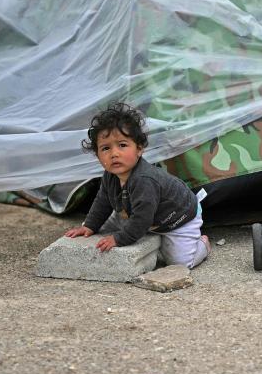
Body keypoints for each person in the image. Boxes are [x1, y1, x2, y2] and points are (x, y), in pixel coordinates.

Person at [65, 102, 210, 268]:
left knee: (180, 262)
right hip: (140, 212)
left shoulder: (144, 180)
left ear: (139, 149)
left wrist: (119, 239)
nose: (114, 154)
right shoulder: (110, 175)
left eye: (122, 145)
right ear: (98, 156)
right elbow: (103, 201)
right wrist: (90, 226)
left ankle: (202, 245)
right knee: (102, 228)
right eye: (105, 148)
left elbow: (143, 218)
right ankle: (145, 234)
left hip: (177, 218)